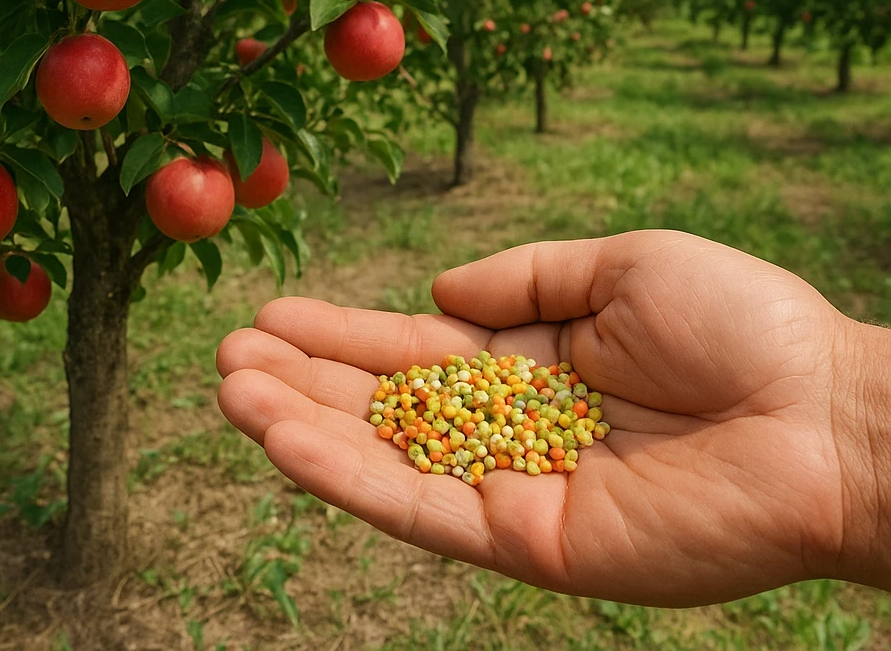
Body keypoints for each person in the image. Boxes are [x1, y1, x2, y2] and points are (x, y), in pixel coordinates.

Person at [216, 229, 890, 606]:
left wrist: (842, 400)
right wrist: (844, 423)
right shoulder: (462, 404)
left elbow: (515, 423)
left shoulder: (537, 412)